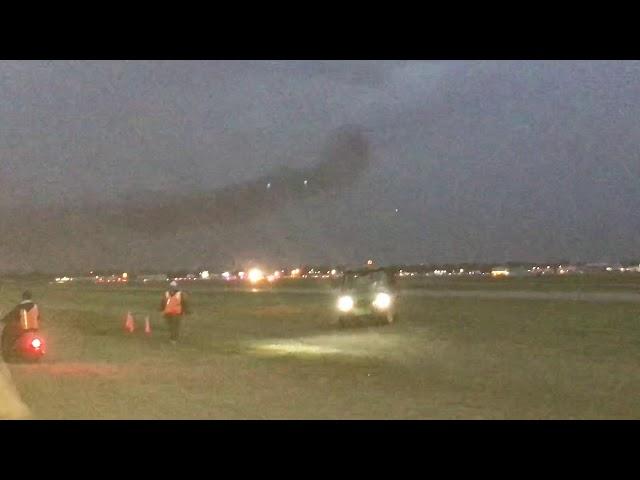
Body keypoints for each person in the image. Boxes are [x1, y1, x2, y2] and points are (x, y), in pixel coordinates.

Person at [1, 291, 40, 361]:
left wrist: (3, 320)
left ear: (23, 297)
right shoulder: (35, 306)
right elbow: (38, 317)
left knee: (8, 336)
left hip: (22, 329)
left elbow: (11, 315)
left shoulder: (19, 307)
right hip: (34, 329)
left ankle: (7, 353)